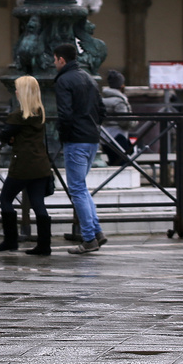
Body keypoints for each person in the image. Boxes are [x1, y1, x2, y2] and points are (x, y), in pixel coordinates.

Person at [0, 75, 55, 256]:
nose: (16, 91)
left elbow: (4, 135)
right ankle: (44, 245)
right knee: (38, 204)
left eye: (18, 88)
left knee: (5, 198)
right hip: (40, 165)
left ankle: (10, 241)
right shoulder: (40, 113)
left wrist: (11, 139)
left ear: (24, 93)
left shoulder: (18, 116)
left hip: (22, 165)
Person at [53, 42, 107, 253]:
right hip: (92, 138)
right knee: (82, 189)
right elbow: (101, 109)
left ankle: (89, 239)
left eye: (54, 59)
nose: (53, 63)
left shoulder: (64, 80)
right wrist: (92, 127)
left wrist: (64, 136)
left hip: (76, 140)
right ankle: (97, 232)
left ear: (61, 60)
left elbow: (65, 114)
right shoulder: (89, 78)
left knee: (76, 189)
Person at [100, 69, 133, 166]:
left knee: (113, 162)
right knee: (123, 163)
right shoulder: (119, 101)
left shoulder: (104, 98)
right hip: (118, 135)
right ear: (121, 85)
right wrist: (134, 120)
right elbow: (124, 121)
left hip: (106, 135)